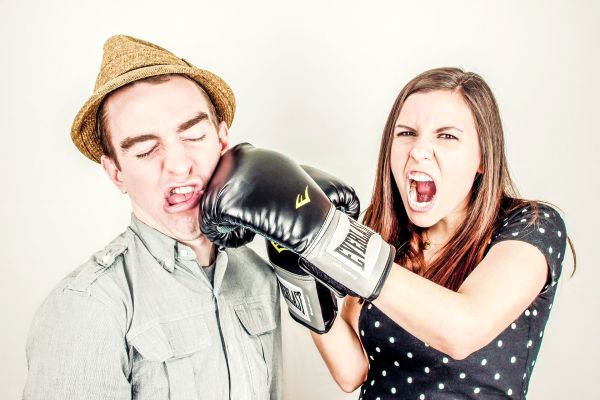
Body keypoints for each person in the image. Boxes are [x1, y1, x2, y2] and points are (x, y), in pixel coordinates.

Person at [199, 67, 573, 399]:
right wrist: (294, 265)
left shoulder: (531, 225)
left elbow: (464, 330)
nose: (419, 151)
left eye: (447, 136)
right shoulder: (382, 236)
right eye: (406, 133)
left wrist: (328, 238)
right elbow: (352, 371)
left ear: (483, 158)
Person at [23, 35, 281, 400]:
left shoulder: (259, 276)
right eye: (145, 150)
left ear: (222, 141)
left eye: (194, 136)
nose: (178, 165)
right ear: (116, 173)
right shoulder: (87, 307)